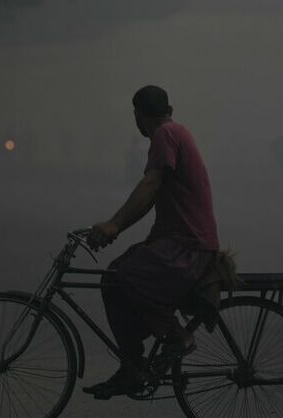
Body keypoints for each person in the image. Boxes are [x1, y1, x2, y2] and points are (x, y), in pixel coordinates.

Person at [82, 85, 220, 399]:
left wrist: (114, 224)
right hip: (180, 243)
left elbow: (150, 184)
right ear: (168, 107)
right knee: (114, 281)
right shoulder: (175, 133)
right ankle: (131, 367)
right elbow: (151, 195)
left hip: (188, 246)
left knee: (125, 275)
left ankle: (177, 336)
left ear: (138, 116)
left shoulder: (165, 135)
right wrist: (115, 227)